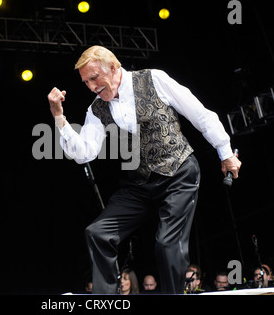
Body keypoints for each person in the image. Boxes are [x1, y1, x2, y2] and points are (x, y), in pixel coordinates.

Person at [47, 45, 242, 294]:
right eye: (85, 82)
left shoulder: (154, 79)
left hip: (178, 173)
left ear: (114, 67)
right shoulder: (96, 109)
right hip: (140, 184)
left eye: (94, 78)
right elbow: (84, 152)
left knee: (167, 244)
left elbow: (200, 115)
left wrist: (225, 153)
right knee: (97, 233)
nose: (91, 86)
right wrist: (59, 117)